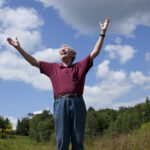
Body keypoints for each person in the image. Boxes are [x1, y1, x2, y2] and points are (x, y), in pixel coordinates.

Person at [7, 18, 110, 150]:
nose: (62, 50)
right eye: (61, 50)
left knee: (78, 139)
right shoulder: (53, 68)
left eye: (66, 50)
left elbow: (95, 52)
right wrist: (18, 48)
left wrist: (102, 33)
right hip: (60, 103)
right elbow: (33, 61)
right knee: (62, 140)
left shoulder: (80, 66)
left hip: (77, 102)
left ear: (73, 55)